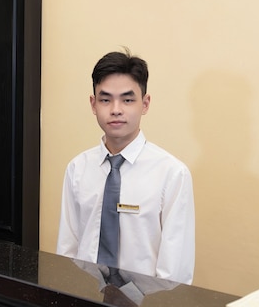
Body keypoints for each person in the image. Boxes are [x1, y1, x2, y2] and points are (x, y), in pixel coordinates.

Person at [57, 50, 195, 284]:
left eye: (127, 100)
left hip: (145, 302)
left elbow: (175, 270)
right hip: (83, 296)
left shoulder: (172, 174)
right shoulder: (77, 169)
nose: (116, 109)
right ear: (93, 104)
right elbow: (67, 249)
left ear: (145, 104)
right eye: (105, 99)